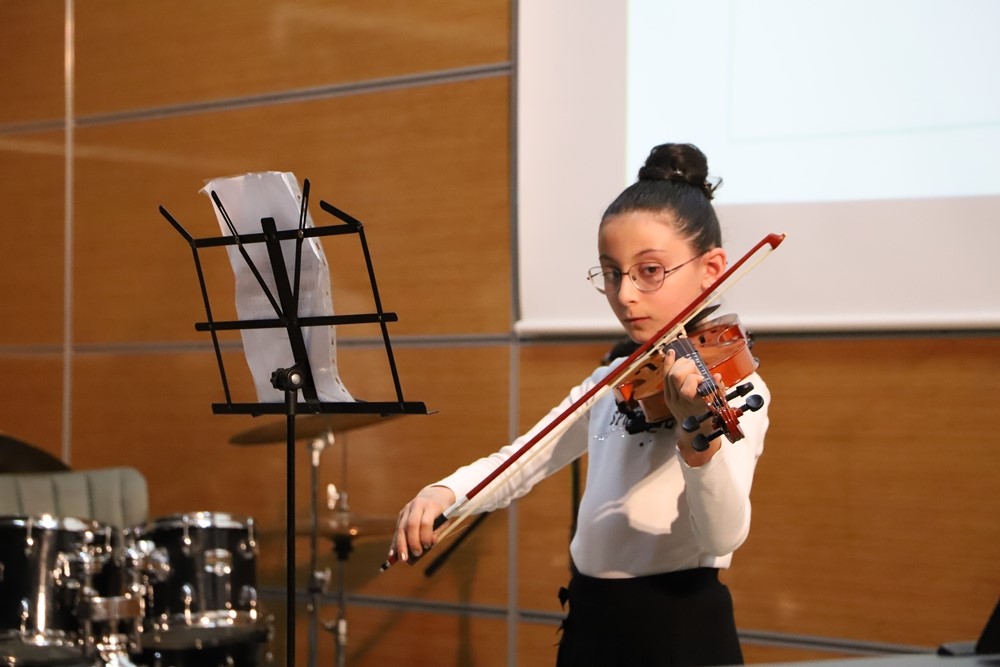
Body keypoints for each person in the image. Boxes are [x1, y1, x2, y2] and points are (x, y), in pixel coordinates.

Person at [388, 143, 770, 666]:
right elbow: (524, 459)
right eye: (611, 273)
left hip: (677, 632)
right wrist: (447, 491)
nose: (625, 294)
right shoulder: (616, 379)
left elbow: (724, 534)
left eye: (650, 271)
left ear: (712, 269)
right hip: (592, 623)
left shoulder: (730, 387)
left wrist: (697, 444)